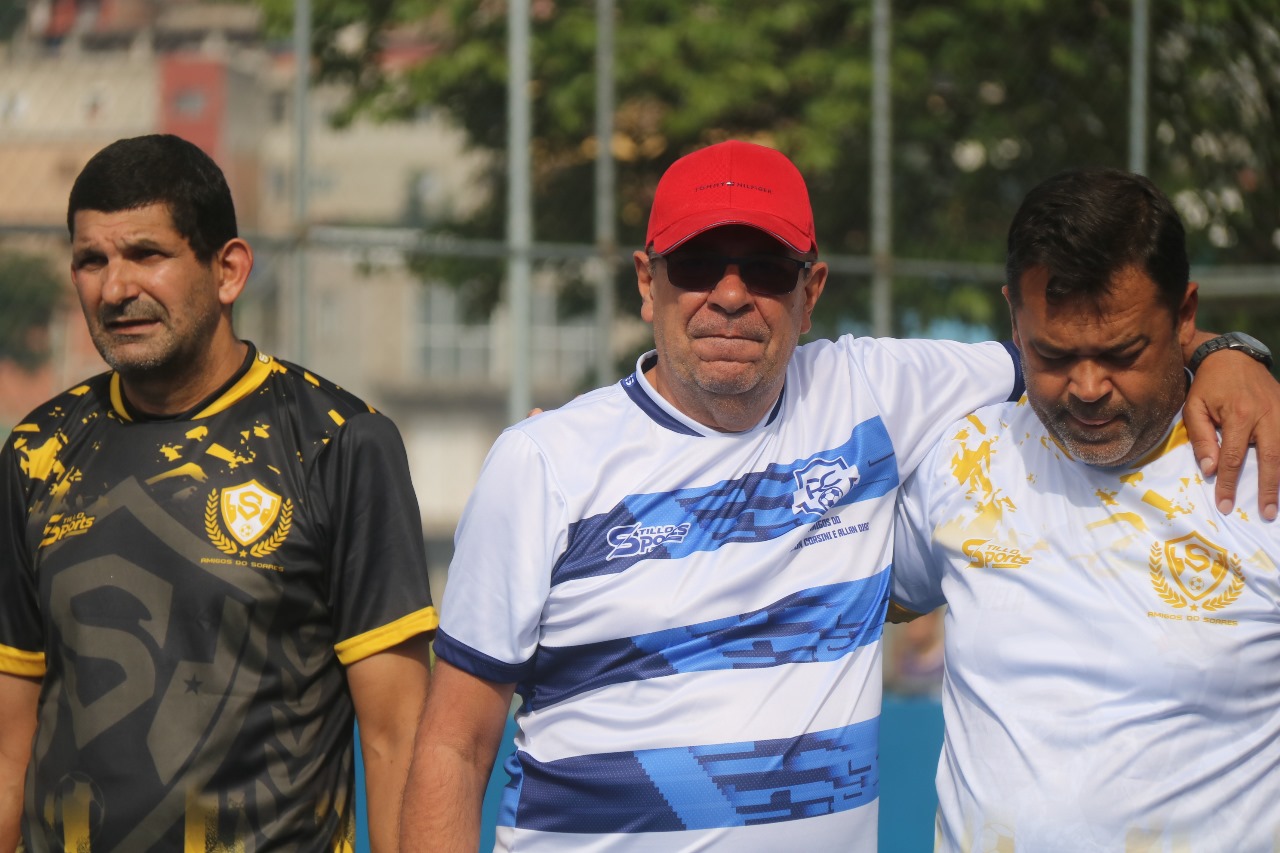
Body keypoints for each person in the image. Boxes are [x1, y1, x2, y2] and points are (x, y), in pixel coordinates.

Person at [399, 141, 1278, 852]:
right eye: (698, 263)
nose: (731, 295)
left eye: (766, 268)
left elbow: (1099, 347)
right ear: (645, 280)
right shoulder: (544, 463)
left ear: (811, 289)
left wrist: (1228, 353)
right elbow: (453, 743)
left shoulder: (874, 395)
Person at [0, 134, 437, 852]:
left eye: (146, 254)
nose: (115, 289)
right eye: (91, 261)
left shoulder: (338, 442)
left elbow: (396, 736)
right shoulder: (36, 451)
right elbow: (8, 744)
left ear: (228, 270)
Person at [890, 168, 1280, 850]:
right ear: (1014, 318)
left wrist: (1233, 351)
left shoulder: (1262, 467)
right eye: (1053, 353)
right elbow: (832, 605)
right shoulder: (963, 458)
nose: (1089, 386)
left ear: (1185, 316)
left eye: (1123, 353)